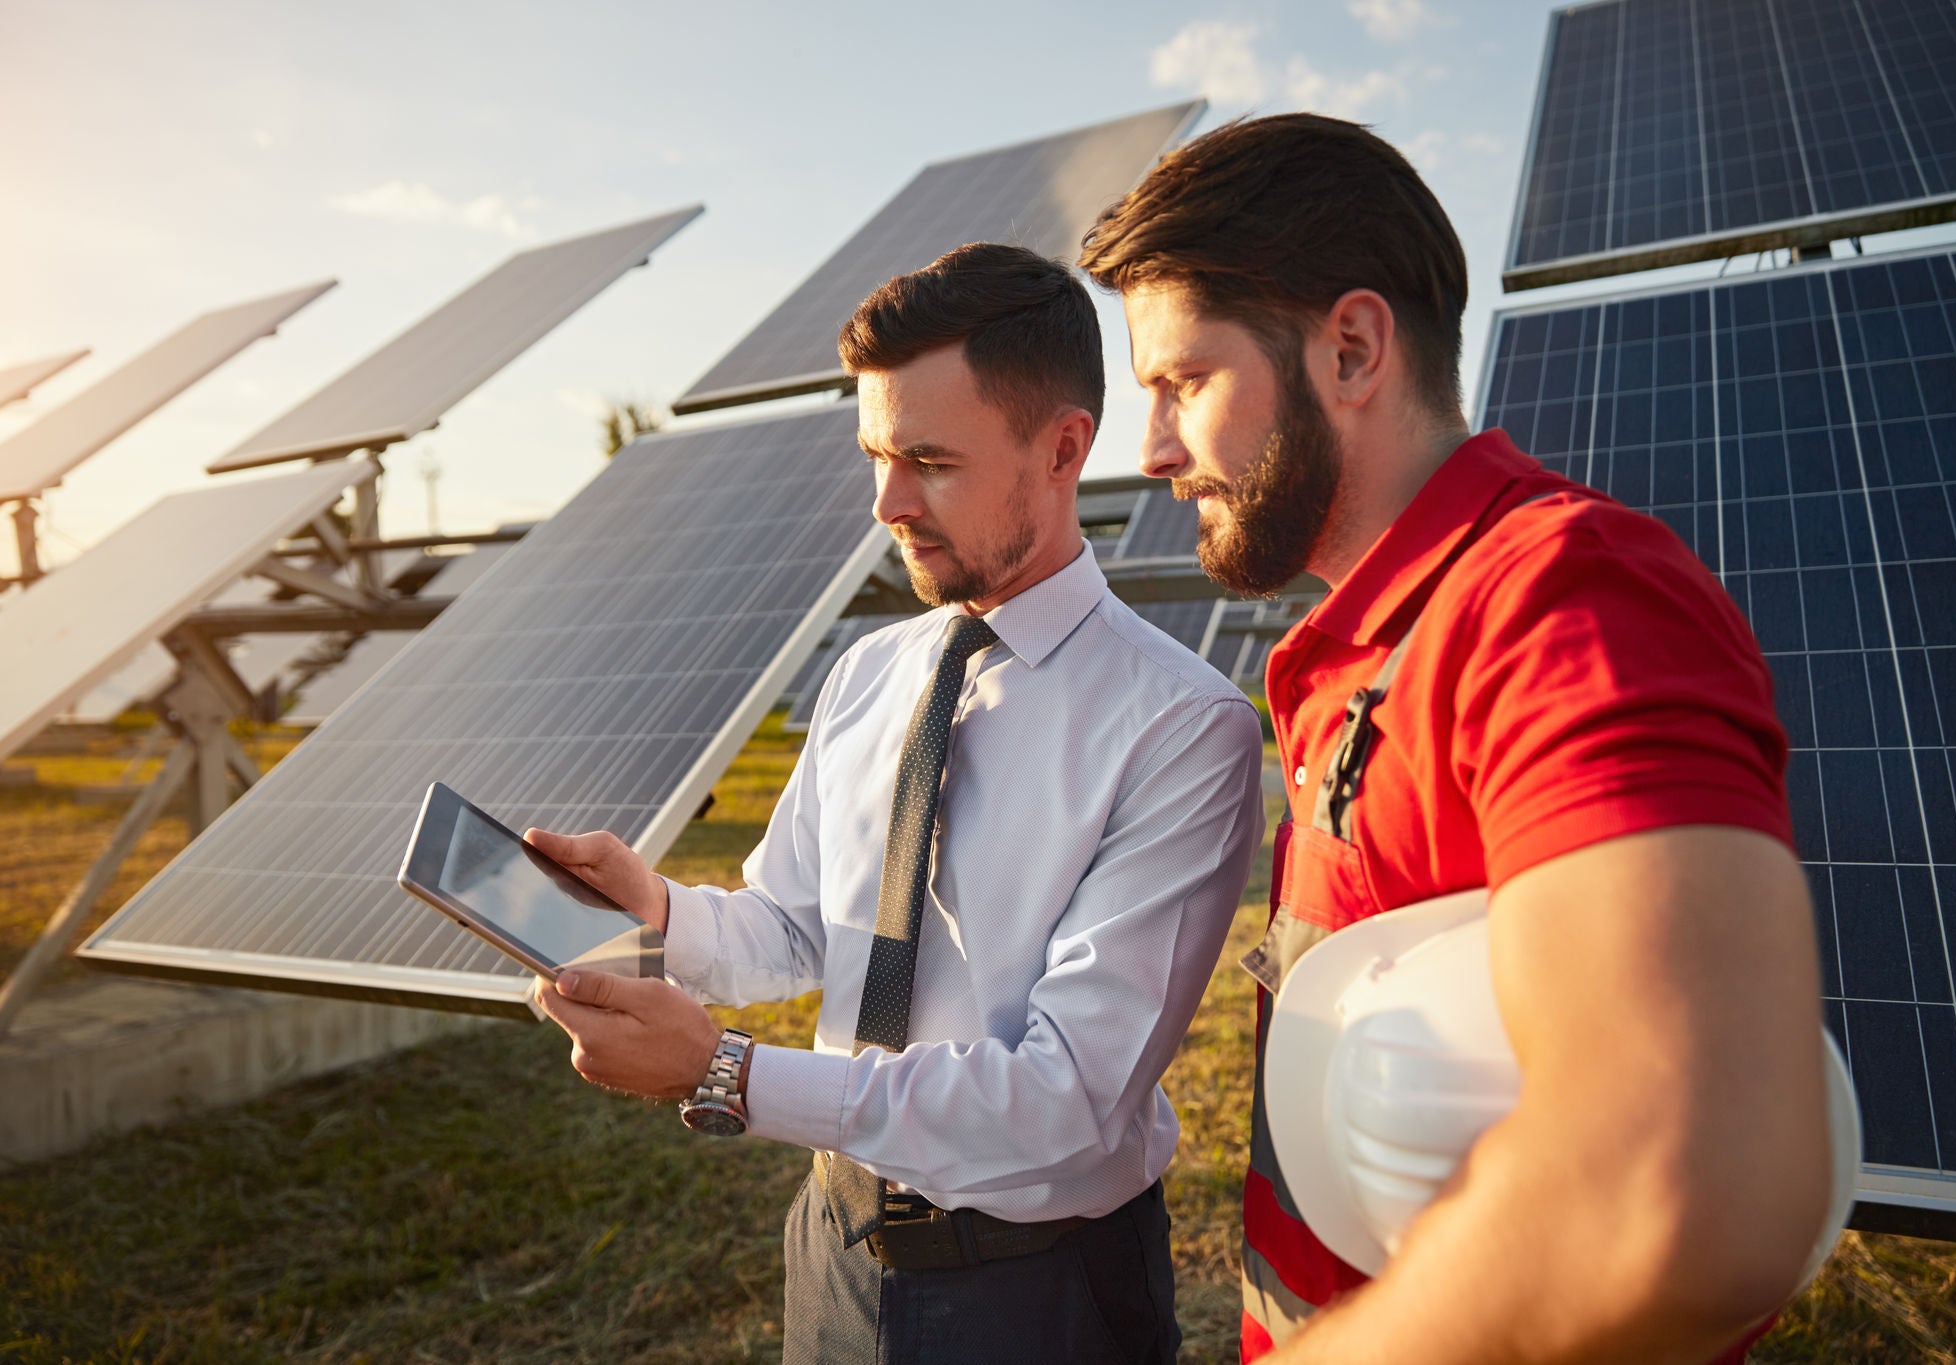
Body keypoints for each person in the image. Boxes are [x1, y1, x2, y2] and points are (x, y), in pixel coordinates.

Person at [1079, 113, 1834, 1364]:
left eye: (1182, 382)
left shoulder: (1562, 598)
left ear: (1353, 348)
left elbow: (1690, 1196)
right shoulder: (1355, 652)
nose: (1150, 449)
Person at [527, 240, 1266, 1364]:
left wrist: (725, 1073)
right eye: (876, 453)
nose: (885, 501)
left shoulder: (1179, 726)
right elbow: (795, 928)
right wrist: (659, 914)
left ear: (1063, 447)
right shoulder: (872, 671)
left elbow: (1064, 1099)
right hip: (831, 1243)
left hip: (1040, 1293)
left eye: (928, 459)